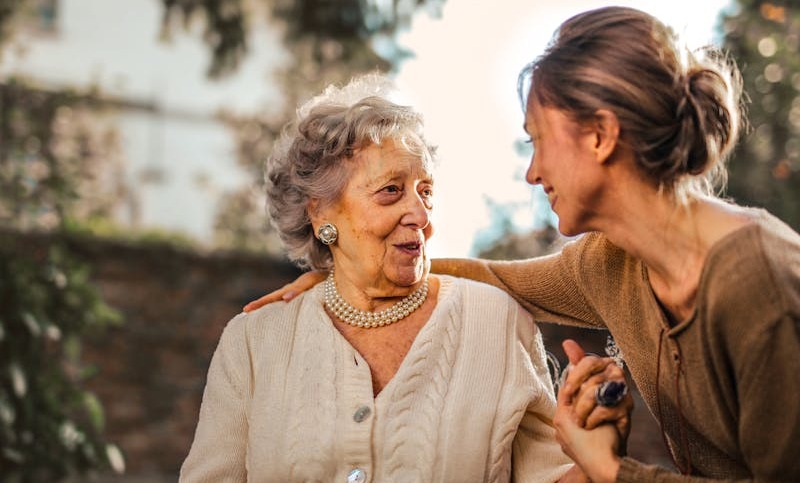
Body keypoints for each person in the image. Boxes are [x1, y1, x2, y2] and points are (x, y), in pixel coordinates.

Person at [243, 7, 800, 482]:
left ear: (601, 136)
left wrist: (611, 471)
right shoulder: (611, 263)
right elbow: (495, 277)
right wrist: (349, 269)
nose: (532, 173)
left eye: (538, 141)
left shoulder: (760, 285)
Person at [180, 75, 582, 482]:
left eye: (425, 191)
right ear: (320, 214)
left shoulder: (497, 322)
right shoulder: (252, 342)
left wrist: (598, 453)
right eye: (391, 190)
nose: (422, 216)